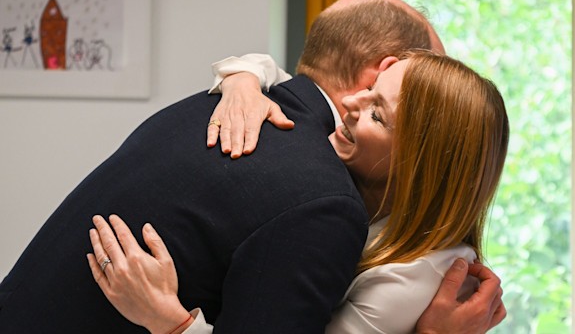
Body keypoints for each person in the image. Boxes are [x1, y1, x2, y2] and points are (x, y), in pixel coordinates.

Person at [0, 0, 501, 333]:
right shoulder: (323, 203)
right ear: (383, 66)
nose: (355, 105)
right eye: (377, 89)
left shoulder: (204, 107)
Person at [87, 50, 509, 333]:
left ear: (420, 167)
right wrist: (244, 81)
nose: (349, 103)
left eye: (377, 114)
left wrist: (168, 319)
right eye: (370, 88)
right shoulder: (377, 200)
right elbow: (274, 70)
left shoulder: (413, 280)